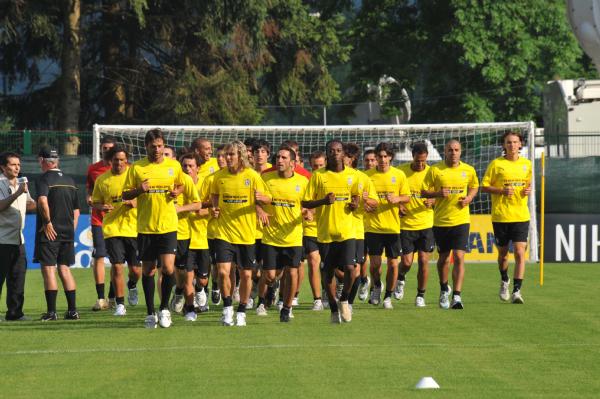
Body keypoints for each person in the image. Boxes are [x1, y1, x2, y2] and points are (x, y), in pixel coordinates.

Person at [123, 129, 186, 328]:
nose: (157, 149)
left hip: (168, 225)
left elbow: (182, 185)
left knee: (168, 268)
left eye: (160, 146)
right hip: (146, 227)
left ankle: (164, 308)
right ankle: (150, 312)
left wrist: (177, 191)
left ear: (164, 145)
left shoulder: (174, 166)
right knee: (149, 270)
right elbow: (125, 195)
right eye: (153, 146)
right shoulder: (137, 168)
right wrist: (138, 190)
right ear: (146, 147)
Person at [302, 139, 365, 323]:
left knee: (351, 270)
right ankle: (332, 307)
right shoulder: (318, 176)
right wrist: (323, 201)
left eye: (338, 150)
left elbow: (356, 195)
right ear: (327, 153)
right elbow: (305, 202)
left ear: (344, 154)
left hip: (348, 231)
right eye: (331, 150)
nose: (335, 153)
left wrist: (355, 203)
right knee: (328, 273)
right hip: (325, 232)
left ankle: (344, 299)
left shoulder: (353, 175)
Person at [210, 140, 271, 326]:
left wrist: (261, 201)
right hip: (223, 232)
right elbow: (214, 196)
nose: (227, 158)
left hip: (246, 234)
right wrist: (214, 209)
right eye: (225, 155)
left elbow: (268, 197)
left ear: (240, 156)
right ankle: (228, 307)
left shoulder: (252, 176)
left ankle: (242, 309)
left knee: (246, 275)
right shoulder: (218, 177)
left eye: (231, 155)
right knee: (222, 272)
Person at [422, 139, 479, 310]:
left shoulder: (468, 170)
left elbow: (475, 186)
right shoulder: (435, 170)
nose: (453, 153)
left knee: (460, 257)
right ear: (445, 151)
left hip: (461, 220)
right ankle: (443, 288)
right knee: (444, 258)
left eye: (456, 150)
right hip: (441, 221)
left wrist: (469, 198)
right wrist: (438, 193)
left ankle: (457, 296)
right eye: (450, 150)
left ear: (460, 152)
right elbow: (423, 191)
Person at [256, 146, 308, 322]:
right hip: (271, 236)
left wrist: (308, 213)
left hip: (293, 236)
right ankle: (271, 288)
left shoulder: (303, 182)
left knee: (292, 272)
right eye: (278, 157)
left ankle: (286, 308)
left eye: (284, 158)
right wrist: (260, 211)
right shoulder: (266, 178)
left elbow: (308, 205)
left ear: (292, 163)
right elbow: (255, 199)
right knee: (270, 275)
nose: (279, 160)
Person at [481, 131, 532, 304]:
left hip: (520, 215)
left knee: (519, 252)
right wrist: (501, 190)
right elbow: (484, 187)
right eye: (508, 142)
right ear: (504, 145)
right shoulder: (496, 164)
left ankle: (517, 291)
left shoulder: (527, 165)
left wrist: (527, 191)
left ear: (520, 145)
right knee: (503, 255)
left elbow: (528, 185)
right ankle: (504, 280)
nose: (511, 145)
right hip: (501, 216)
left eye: (515, 142)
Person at [91, 146, 142, 316]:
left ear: (126, 160)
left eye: (122, 159)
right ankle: (120, 304)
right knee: (117, 267)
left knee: (136, 271)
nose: (119, 163)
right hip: (112, 229)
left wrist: (135, 203)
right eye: (115, 160)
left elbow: (146, 198)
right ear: (110, 161)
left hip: (134, 228)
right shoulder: (102, 180)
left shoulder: (134, 176)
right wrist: (101, 206)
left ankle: (132, 285)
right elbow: (95, 202)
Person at [34, 147, 80, 321]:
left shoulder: (43, 179)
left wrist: (47, 223)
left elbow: (42, 201)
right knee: (65, 269)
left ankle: (52, 312)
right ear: (57, 160)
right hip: (67, 232)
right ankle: (72, 311)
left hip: (49, 232)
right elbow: (76, 210)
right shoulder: (70, 180)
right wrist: (71, 229)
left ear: (42, 161)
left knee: (49, 270)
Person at [364, 142, 410, 309]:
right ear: (375, 158)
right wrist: (366, 205)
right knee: (375, 265)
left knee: (392, 264)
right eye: (379, 157)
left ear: (390, 157)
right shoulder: (367, 176)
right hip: (373, 227)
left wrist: (397, 199)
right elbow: (361, 198)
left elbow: (407, 197)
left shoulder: (399, 175)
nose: (382, 160)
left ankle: (388, 297)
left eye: (385, 156)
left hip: (392, 227)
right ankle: (376, 286)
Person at [397, 142, 435, 307]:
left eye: (423, 161)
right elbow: (395, 194)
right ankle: (400, 277)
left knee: (424, 261)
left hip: (426, 224)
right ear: (412, 157)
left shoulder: (433, 172)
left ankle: (420, 295)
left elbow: (440, 194)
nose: (420, 164)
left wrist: (433, 200)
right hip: (406, 224)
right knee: (406, 262)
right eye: (418, 160)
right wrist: (400, 206)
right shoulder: (402, 172)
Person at [0, 152, 36, 321]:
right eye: (13, 164)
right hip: (2, 239)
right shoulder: (0, 183)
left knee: (18, 278)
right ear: (3, 167)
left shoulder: (22, 183)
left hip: (18, 239)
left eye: (19, 165)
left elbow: (29, 204)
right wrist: (17, 193)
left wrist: (42, 202)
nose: (17, 168)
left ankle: (15, 313)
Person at [343, 143, 378, 310]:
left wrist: (365, 200)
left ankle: (348, 302)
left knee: (354, 269)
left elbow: (375, 202)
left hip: (355, 230)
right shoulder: (328, 176)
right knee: (330, 267)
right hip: (331, 229)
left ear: (352, 159)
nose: (342, 159)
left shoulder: (363, 178)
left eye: (346, 156)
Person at [169, 153, 202, 320]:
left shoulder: (188, 182)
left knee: (186, 274)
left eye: (190, 166)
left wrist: (180, 209)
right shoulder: (166, 179)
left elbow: (198, 204)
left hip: (183, 234)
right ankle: (164, 308)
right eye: (184, 166)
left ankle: (186, 303)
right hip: (162, 232)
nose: (187, 169)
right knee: (164, 271)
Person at [86, 136, 116, 311]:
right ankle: (100, 298)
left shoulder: (124, 168)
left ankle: (113, 296)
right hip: (99, 219)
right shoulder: (93, 169)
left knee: (117, 260)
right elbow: (89, 189)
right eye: (104, 147)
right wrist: (89, 198)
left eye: (110, 147)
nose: (107, 150)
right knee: (98, 256)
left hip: (119, 222)